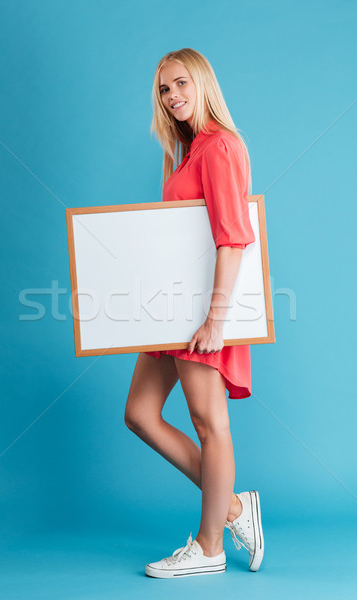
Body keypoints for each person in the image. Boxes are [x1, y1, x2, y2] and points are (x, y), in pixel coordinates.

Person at [124, 48, 264, 579]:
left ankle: (209, 547)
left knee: (210, 424)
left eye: (181, 83)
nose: (173, 95)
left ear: (202, 83)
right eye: (164, 89)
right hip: (171, 310)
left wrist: (216, 319)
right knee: (139, 413)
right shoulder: (188, 151)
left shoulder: (220, 147)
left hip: (203, 311)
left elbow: (233, 239)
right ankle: (232, 507)